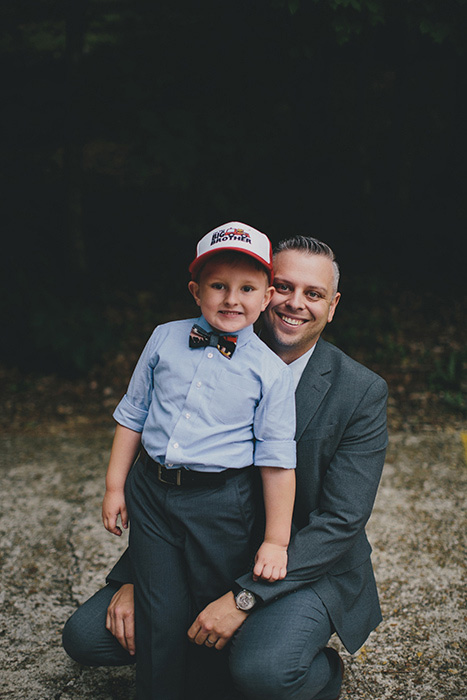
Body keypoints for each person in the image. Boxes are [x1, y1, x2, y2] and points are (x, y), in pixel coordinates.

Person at [63, 234, 388, 700]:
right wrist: (142, 575)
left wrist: (244, 597)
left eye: (313, 294)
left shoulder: (360, 393)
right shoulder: (195, 346)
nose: (295, 303)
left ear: (332, 306)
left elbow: (340, 522)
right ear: (263, 289)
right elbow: (167, 473)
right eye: (283, 286)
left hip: (300, 565)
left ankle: (310, 672)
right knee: (89, 635)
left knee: (262, 671)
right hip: (196, 545)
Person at [100, 221, 296, 698]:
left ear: (267, 296)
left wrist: (275, 541)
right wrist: (114, 486)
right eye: (218, 286)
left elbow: (276, 460)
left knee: (211, 613)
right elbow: (133, 414)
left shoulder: (270, 372)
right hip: (151, 492)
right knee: (159, 612)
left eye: (247, 288)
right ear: (196, 291)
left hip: (220, 505)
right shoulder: (165, 338)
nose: (232, 298)